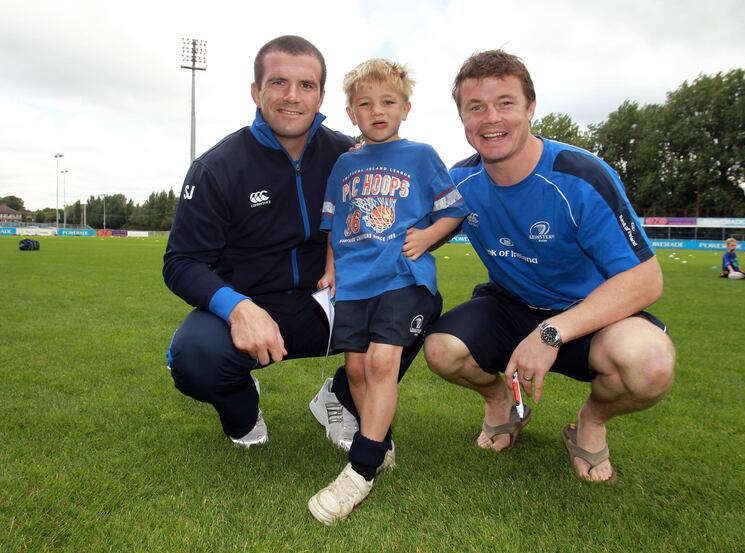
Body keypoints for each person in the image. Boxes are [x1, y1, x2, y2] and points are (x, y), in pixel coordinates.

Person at [163, 36, 432, 450]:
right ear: (256, 91)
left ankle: (339, 397)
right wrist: (235, 306)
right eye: (278, 83)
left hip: (328, 302)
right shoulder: (217, 167)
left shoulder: (350, 156)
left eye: (306, 85)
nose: (292, 96)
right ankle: (242, 407)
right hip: (252, 304)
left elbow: (408, 201)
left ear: (322, 95)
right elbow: (182, 261)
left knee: (415, 305)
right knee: (196, 357)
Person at [423, 50, 676, 484]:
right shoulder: (458, 182)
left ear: (530, 107)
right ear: (461, 117)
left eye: (505, 103)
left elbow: (646, 279)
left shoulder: (579, 175)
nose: (490, 119)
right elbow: (411, 229)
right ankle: (501, 403)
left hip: (589, 314)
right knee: (442, 351)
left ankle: (590, 423)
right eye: (475, 107)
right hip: (510, 305)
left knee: (650, 365)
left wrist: (551, 332)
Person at [307, 59, 467, 525]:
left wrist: (428, 236)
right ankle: (382, 438)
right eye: (365, 104)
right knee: (356, 369)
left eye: (388, 102)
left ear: (406, 107)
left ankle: (361, 470)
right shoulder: (345, 163)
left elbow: (453, 210)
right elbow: (334, 226)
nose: (377, 111)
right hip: (354, 284)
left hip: (402, 277)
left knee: (381, 363)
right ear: (351, 113)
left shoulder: (420, 156)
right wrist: (330, 269)